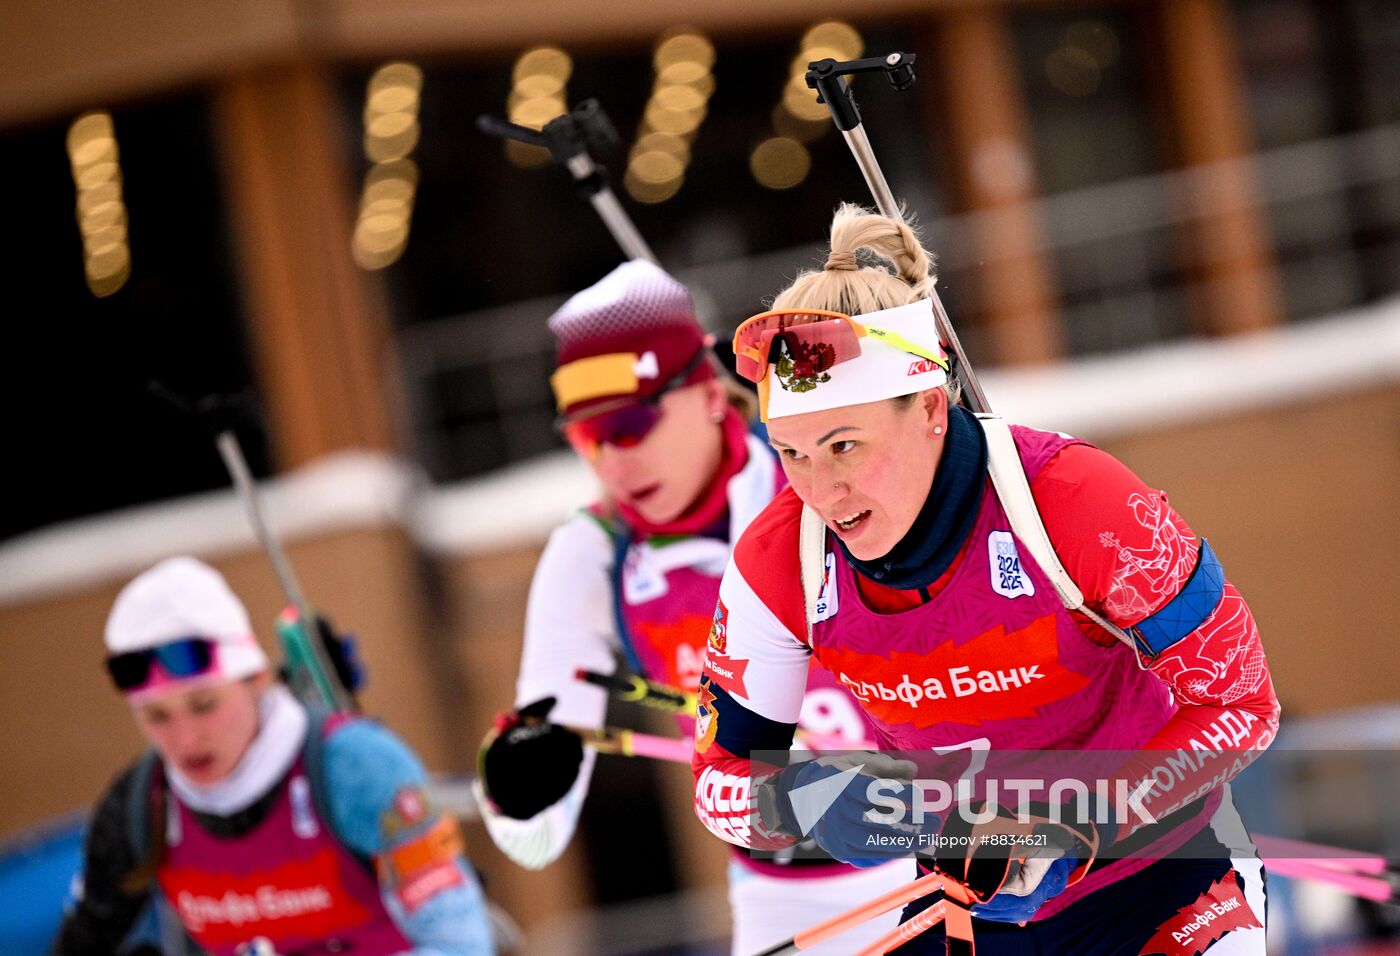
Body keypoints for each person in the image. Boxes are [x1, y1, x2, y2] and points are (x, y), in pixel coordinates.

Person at [691, 205, 1279, 953]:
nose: (820, 489)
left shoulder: (1075, 502)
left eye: (844, 445)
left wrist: (1086, 825)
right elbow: (719, 783)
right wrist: (808, 800)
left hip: (1162, 882)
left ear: (931, 408)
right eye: (792, 453)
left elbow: (1240, 704)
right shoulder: (780, 560)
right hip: (972, 905)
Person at [473, 259, 909, 955]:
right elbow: (533, 842)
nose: (613, 463)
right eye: (587, 437)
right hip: (784, 897)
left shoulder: (822, 476)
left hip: (950, 855)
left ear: (710, 392)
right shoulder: (594, 554)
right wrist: (520, 787)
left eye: (632, 423)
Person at [52, 555, 495, 956]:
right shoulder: (139, 805)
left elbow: (461, 944)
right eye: (156, 716)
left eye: (205, 705)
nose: (185, 739)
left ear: (257, 679)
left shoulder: (353, 767)